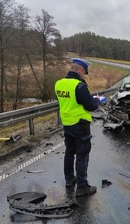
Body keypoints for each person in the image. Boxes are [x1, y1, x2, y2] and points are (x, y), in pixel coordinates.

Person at [55, 58, 101, 197]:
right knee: (82, 155)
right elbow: (91, 106)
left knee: (69, 152)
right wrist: (98, 100)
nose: (84, 75)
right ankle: (82, 187)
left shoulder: (59, 83)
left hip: (67, 123)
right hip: (80, 124)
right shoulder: (79, 86)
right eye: (84, 73)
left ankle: (69, 179)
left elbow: (66, 101)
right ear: (80, 70)